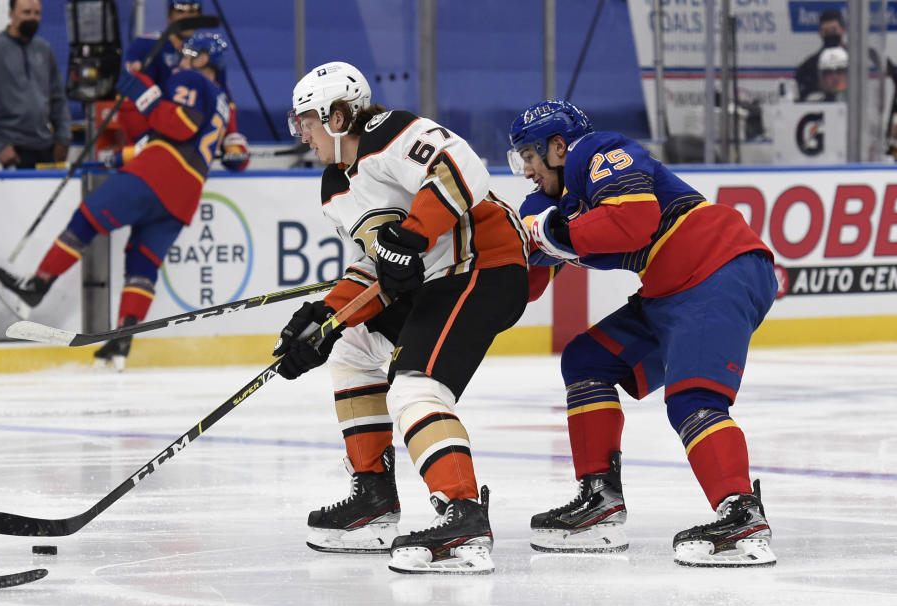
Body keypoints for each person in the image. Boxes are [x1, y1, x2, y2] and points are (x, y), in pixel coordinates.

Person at [274, 61, 529, 574]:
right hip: (441, 277)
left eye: (306, 119)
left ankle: (464, 516)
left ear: (338, 114)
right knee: (353, 347)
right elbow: (381, 265)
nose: (300, 132)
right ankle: (373, 500)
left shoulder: (386, 132)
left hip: (485, 264)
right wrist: (326, 319)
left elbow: (463, 168)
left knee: (415, 389)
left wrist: (411, 237)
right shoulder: (334, 185)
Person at [508, 99, 778, 567]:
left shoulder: (598, 149)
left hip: (715, 265)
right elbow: (524, 284)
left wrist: (549, 232)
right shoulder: (553, 200)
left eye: (529, 156)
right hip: (670, 286)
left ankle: (741, 515)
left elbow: (633, 221)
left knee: (694, 400)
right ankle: (600, 500)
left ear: (556, 146)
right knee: (586, 361)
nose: (526, 171)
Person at [0, 33, 246, 371]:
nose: (181, 58)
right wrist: (121, 156)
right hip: (186, 194)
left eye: (189, 53)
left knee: (87, 217)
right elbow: (202, 145)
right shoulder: (225, 101)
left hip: (158, 173)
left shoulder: (190, 79)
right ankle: (122, 340)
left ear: (204, 59)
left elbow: (178, 126)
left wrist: (140, 88)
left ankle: (38, 285)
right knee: (142, 262)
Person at [117, 0, 249, 172]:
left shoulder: (209, 52)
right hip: (157, 128)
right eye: (181, 10)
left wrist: (232, 139)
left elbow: (223, 101)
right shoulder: (148, 46)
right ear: (169, 14)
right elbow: (134, 96)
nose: (188, 17)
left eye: (193, 11)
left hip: (191, 132)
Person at [0, 0, 71, 169]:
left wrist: (63, 139)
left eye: (37, 13)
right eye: (26, 12)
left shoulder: (44, 49)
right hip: (9, 151)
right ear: (11, 14)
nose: (33, 18)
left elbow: (58, 98)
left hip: (44, 148)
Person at [795, 9, 846, 102]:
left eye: (834, 30)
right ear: (820, 33)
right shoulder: (809, 66)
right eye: (826, 31)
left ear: (843, 30)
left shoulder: (854, 61)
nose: (830, 34)